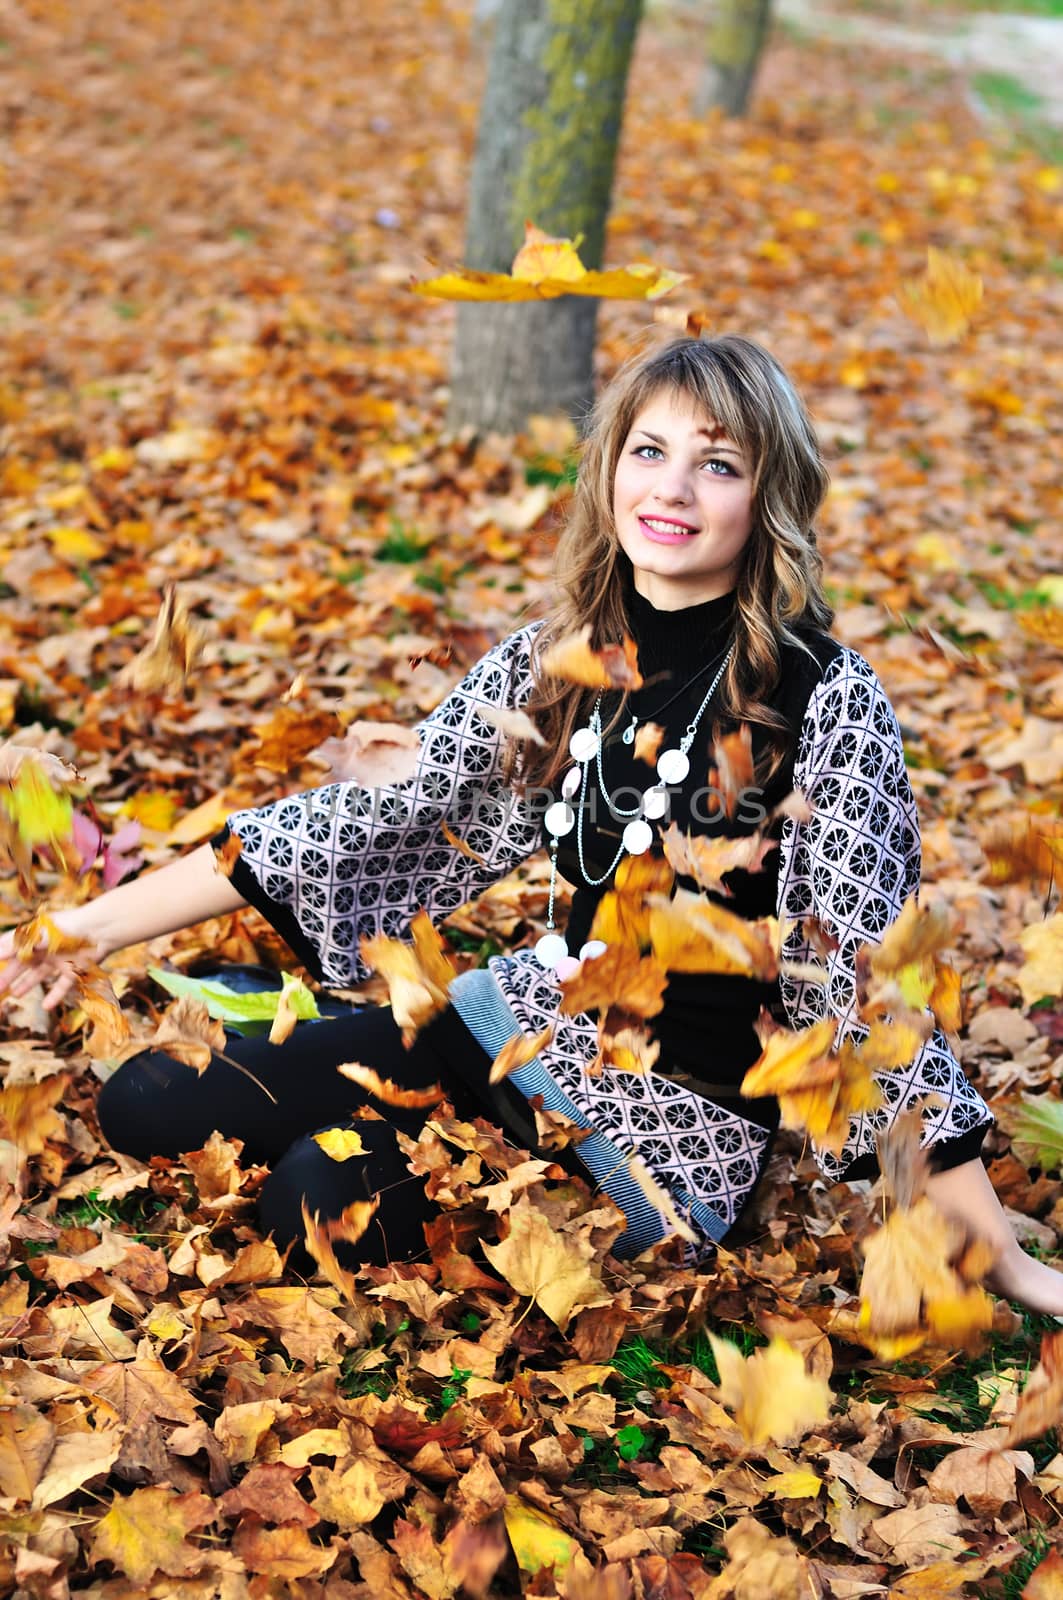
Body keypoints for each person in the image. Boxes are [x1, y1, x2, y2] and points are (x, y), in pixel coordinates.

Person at [1, 334, 1058, 1312]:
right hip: (510, 1025)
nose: (673, 489)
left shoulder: (824, 700)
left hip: (659, 1133)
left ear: (767, 499)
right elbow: (354, 825)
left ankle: (335, 1098)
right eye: (649, 450)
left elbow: (868, 985)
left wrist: (1002, 1261)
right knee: (145, 1096)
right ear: (607, 470)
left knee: (313, 1199)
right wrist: (75, 933)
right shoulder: (556, 660)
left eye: (718, 465)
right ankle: (331, 1073)